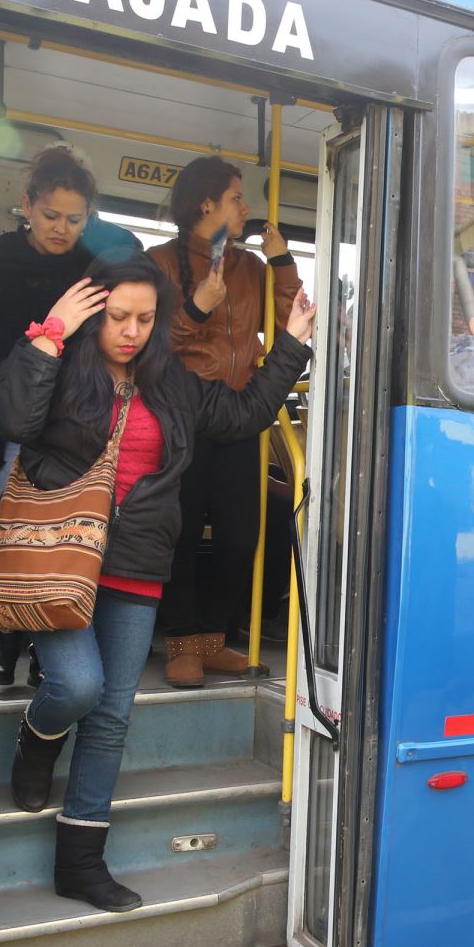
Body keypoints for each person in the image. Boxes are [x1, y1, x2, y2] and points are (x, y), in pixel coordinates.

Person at [0, 252, 314, 912]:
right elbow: (10, 422)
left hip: (137, 561)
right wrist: (48, 335)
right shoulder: (61, 366)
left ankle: (81, 861)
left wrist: (293, 347)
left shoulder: (174, 384)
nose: (130, 330)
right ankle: (37, 735)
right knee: (78, 686)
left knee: (111, 717)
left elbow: (244, 416)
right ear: (91, 315)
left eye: (144, 318)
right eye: (116, 318)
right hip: (59, 556)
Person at [0, 144, 136, 687]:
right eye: (49, 216)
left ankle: (49, 642)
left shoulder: (92, 266)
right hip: (10, 412)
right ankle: (4, 633)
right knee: (10, 529)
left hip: (74, 419)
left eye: (74, 218)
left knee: (65, 534)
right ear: (26, 206)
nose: (61, 228)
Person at [148, 156, 302, 687]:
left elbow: (287, 323)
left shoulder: (251, 268)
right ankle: (183, 643)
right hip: (181, 414)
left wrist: (281, 263)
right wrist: (196, 306)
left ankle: (213, 639)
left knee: (242, 536)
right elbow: (150, 347)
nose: (247, 208)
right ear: (205, 203)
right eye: (237, 197)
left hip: (239, 411)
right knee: (182, 533)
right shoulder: (161, 263)